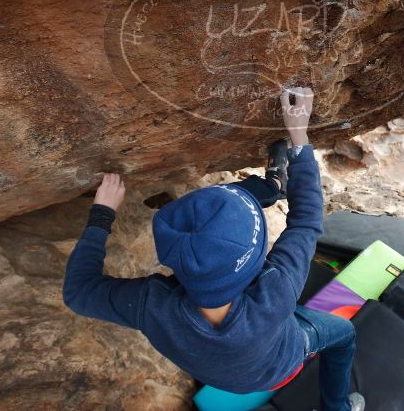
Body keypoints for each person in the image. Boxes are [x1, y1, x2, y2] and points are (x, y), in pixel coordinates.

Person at [63, 87, 365, 411]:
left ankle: (272, 186)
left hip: (226, 374)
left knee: (217, 227)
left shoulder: (151, 305)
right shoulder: (276, 291)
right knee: (344, 333)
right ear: (258, 265)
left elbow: (78, 292)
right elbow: (306, 221)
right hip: (282, 362)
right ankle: (337, 408)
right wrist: (299, 136)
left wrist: (101, 215)